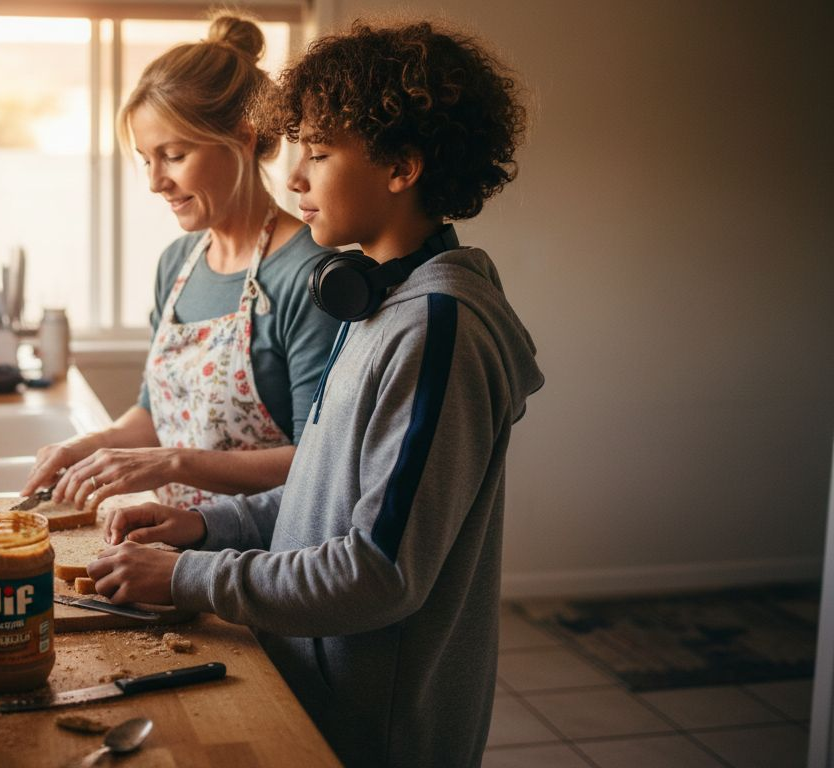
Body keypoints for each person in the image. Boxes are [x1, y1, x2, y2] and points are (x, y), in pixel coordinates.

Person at [85, 18, 545, 767]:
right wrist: (201, 530)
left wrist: (188, 577)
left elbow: (378, 572)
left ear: (401, 166)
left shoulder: (438, 330)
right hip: (319, 689)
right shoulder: (377, 301)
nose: (294, 177)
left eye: (320, 154)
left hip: (377, 728)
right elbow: (321, 501)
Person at [21, 15, 340, 512]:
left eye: (172, 155)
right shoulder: (178, 265)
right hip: (166, 549)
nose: (155, 182)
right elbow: (154, 415)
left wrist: (171, 463)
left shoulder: (310, 276)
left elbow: (316, 464)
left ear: (244, 137)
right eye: (146, 158)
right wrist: (85, 448)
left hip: (261, 564)